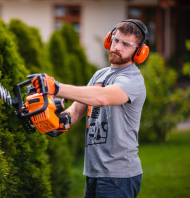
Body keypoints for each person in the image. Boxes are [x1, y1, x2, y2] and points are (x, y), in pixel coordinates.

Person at [29, 19, 149, 198]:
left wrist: (56, 87)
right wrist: (62, 120)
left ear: (139, 52)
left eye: (126, 44)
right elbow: (77, 110)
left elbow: (102, 97)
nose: (118, 47)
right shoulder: (99, 75)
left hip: (119, 176)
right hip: (94, 171)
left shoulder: (133, 80)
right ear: (109, 39)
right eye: (116, 40)